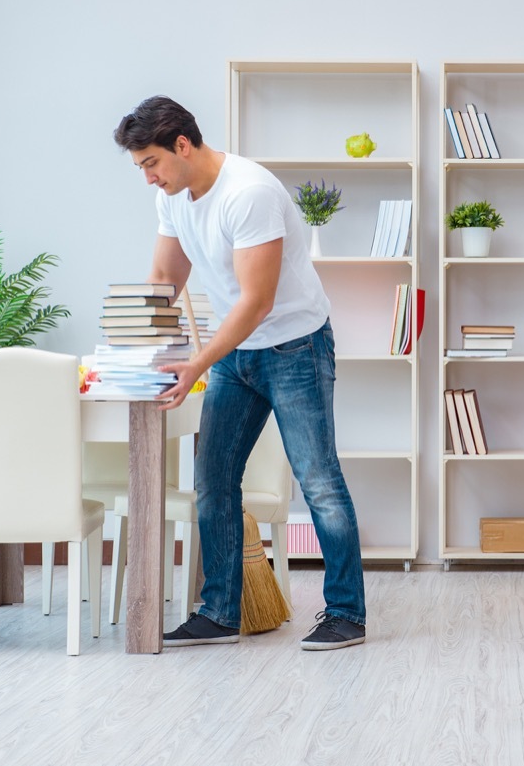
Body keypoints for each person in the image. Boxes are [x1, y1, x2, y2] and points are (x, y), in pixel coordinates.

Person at [113, 96, 366, 650]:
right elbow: (164, 275)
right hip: (238, 353)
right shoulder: (175, 197)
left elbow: (257, 300)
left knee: (318, 480)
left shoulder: (248, 193)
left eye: (151, 163)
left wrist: (197, 363)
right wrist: (133, 357)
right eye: (140, 168)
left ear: (182, 144)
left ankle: (346, 612)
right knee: (213, 477)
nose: (148, 178)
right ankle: (222, 611)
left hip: (294, 347)